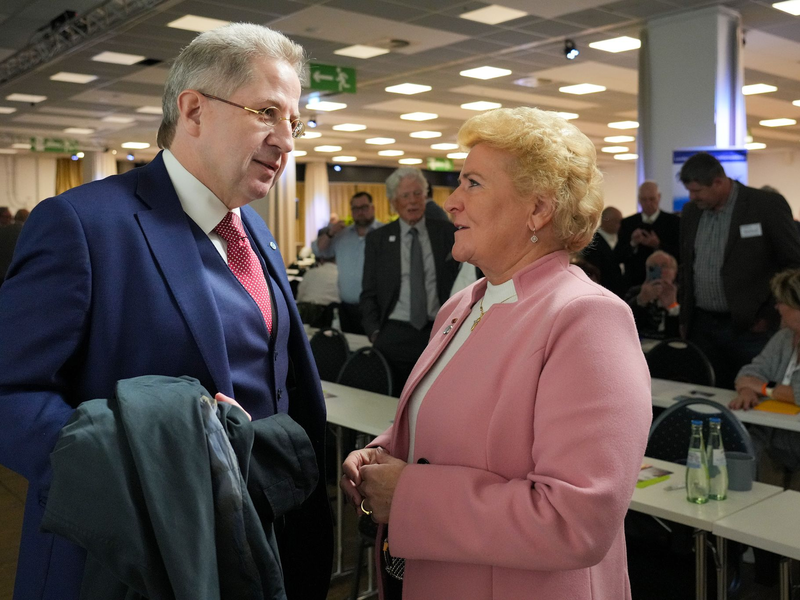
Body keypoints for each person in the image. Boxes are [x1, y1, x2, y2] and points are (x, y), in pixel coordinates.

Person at [0, 23, 331, 600]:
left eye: (294, 122)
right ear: (194, 109)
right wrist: (142, 472)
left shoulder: (254, 230)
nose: (287, 140)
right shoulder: (83, 225)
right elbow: (10, 391)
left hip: (250, 552)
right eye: (267, 114)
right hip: (130, 563)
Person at [343, 107, 651, 600]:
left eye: (473, 184)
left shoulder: (586, 318)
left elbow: (575, 521)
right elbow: (454, 423)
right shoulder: (463, 305)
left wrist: (408, 494)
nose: (452, 204)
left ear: (538, 210)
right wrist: (385, 452)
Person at [679, 152, 800, 389]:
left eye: (698, 191)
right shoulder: (692, 212)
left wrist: (770, 313)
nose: (692, 197)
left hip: (751, 326)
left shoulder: (764, 205)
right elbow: (686, 266)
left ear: (719, 182)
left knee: (749, 394)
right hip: (702, 326)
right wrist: (685, 315)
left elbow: (793, 263)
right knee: (706, 393)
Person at [360, 167, 459, 393]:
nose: (412, 201)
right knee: (392, 402)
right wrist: (375, 332)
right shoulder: (379, 240)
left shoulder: (447, 233)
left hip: (438, 332)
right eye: (405, 196)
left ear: (426, 197)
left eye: (417, 194)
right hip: (393, 335)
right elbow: (368, 292)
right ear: (393, 202)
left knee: (435, 398)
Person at [729, 269, 800, 475]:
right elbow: (748, 372)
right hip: (769, 442)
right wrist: (747, 392)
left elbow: (797, 393)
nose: (777, 308)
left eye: (781, 302)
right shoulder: (784, 338)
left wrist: (761, 387)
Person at [311, 191, 381, 333]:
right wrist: (330, 232)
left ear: (372, 208)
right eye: (355, 208)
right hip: (347, 308)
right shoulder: (341, 236)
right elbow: (318, 250)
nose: (360, 212)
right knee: (350, 349)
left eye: (364, 207)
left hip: (377, 308)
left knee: (376, 351)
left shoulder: (384, 233)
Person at [617, 181, 680, 287]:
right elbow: (618, 256)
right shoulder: (628, 223)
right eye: (644, 200)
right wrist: (633, 243)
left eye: (652, 199)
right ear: (639, 200)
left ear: (659, 197)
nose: (648, 203)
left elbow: (680, 254)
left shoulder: (674, 222)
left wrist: (658, 245)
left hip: (666, 282)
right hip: (635, 282)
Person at [625, 250, 680, 340]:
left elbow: (681, 333)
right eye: (653, 267)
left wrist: (672, 306)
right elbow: (624, 325)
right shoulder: (635, 292)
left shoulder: (683, 295)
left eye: (664, 266)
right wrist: (641, 300)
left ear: (674, 271)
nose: (660, 271)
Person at [581, 206, 626, 295]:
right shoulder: (593, 242)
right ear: (606, 220)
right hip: (604, 289)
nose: (620, 225)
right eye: (617, 221)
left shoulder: (622, 239)